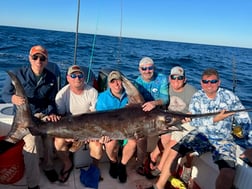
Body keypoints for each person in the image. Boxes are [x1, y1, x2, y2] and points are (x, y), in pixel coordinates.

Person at [147, 68, 251, 189]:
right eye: (206, 82)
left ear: (219, 82)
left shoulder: (230, 97)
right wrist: (215, 119)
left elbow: (245, 121)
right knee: (173, 152)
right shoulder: (197, 97)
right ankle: (158, 186)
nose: (209, 85)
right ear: (201, 83)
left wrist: (249, 146)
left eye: (213, 81)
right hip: (200, 134)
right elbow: (195, 121)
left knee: (228, 173)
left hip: (223, 139)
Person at [2, 45, 59, 189]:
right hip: (24, 116)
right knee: (32, 142)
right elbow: (5, 94)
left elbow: (52, 101)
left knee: (49, 134)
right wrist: (13, 98)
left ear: (46, 61)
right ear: (30, 58)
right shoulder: (17, 74)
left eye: (42, 58)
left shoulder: (52, 78)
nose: (38, 60)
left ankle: (48, 167)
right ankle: (33, 184)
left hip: (42, 114)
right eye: (35, 57)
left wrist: (52, 113)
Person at [147, 66, 197, 182]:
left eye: (180, 78)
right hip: (167, 121)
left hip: (185, 122)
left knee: (175, 141)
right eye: (174, 77)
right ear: (169, 78)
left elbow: (198, 108)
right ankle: (154, 158)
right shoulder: (166, 89)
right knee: (166, 137)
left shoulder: (192, 91)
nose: (176, 80)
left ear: (185, 79)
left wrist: (191, 114)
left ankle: (159, 167)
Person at [54, 65, 98, 183]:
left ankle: (95, 168)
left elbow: (95, 117)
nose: (77, 78)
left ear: (84, 78)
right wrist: (67, 134)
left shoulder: (92, 92)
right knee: (58, 142)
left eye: (80, 75)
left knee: (97, 147)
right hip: (69, 126)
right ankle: (67, 163)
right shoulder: (61, 95)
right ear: (68, 78)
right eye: (73, 76)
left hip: (88, 127)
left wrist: (87, 134)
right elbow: (61, 117)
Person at [95, 70, 137, 183]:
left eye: (118, 81)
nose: (116, 84)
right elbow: (99, 119)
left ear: (122, 82)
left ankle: (122, 165)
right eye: (113, 82)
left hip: (127, 130)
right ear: (109, 84)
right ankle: (113, 163)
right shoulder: (102, 97)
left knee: (133, 143)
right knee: (110, 143)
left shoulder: (130, 96)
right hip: (110, 131)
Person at [134, 57, 169, 177]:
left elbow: (165, 99)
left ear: (153, 68)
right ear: (139, 69)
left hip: (159, 114)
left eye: (150, 68)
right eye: (144, 68)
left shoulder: (162, 78)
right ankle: (140, 163)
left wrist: (154, 103)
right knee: (140, 137)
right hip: (143, 117)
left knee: (166, 138)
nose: (147, 71)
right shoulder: (137, 83)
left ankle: (153, 156)